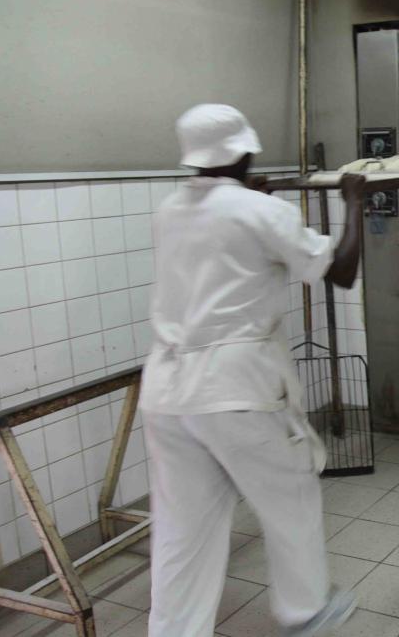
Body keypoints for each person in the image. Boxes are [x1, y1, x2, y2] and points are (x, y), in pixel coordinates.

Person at [140, 104, 365, 636]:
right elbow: (342, 270)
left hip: (168, 389)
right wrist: (354, 203)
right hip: (235, 386)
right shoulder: (260, 211)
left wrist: (249, 197)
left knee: (182, 527)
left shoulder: (170, 209)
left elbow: (223, 237)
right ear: (245, 150)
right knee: (290, 495)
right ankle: (305, 610)